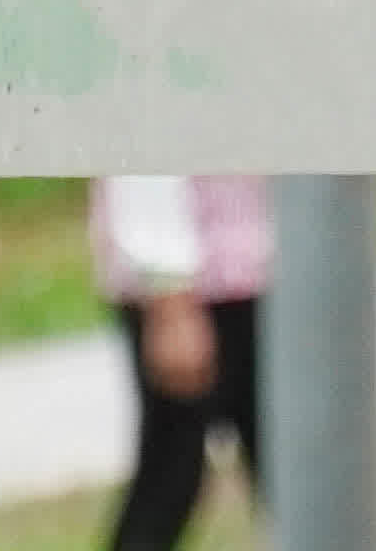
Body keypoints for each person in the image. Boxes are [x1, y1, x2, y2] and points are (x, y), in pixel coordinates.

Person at [90, 174, 268, 551]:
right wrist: (168, 291)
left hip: (260, 265)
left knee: (302, 478)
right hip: (205, 279)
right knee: (171, 476)